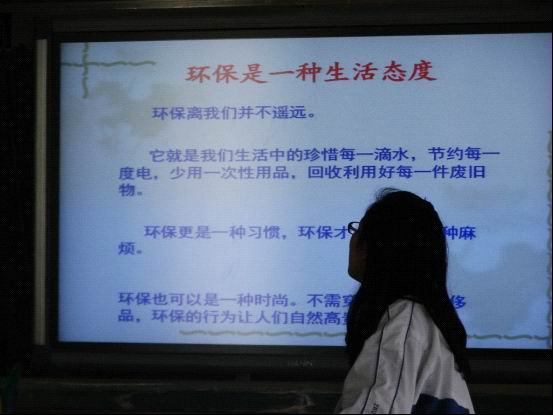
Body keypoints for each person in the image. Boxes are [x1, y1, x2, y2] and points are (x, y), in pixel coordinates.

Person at [335, 188, 475, 414]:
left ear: (376, 246)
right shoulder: (420, 316)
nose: (353, 237)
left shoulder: (402, 321)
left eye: (359, 229)